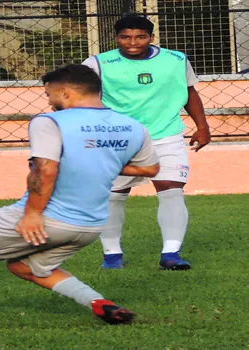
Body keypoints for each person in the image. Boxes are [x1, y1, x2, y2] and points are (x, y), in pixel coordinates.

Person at [0, 64, 160, 325]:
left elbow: (46, 170)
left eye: (50, 95)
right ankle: (100, 303)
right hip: (90, 225)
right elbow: (150, 168)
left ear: (67, 92)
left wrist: (33, 214)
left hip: (47, 217)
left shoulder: (49, 122)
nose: (49, 103)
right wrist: (99, 158)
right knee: (24, 266)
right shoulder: (133, 127)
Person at [82, 15, 211, 270]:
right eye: (125, 37)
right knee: (113, 195)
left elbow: (189, 92)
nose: (132, 42)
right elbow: (82, 99)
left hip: (166, 135)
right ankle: (112, 255)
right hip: (118, 139)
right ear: (116, 37)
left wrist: (203, 126)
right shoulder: (97, 63)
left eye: (140, 36)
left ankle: (171, 254)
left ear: (151, 37)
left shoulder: (176, 59)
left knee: (171, 189)